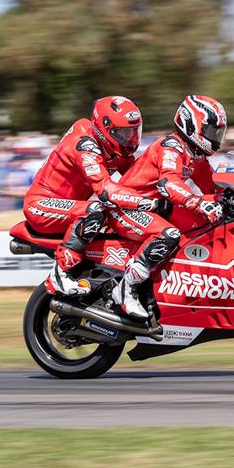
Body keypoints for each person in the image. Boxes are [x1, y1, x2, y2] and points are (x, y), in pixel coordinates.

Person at [23, 96, 158, 317]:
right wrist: (146, 202)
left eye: (133, 132)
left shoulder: (111, 147)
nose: (130, 138)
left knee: (111, 213)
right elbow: (106, 190)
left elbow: (138, 179)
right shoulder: (85, 145)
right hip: (41, 205)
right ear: (105, 128)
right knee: (96, 209)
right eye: (123, 133)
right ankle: (59, 273)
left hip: (71, 209)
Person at [114, 95, 228, 317]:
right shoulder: (172, 146)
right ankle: (125, 288)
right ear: (190, 123)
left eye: (217, 132)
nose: (214, 137)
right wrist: (197, 203)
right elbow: (168, 183)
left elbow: (213, 188)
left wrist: (233, 198)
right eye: (210, 130)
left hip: (153, 209)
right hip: (128, 206)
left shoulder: (196, 156)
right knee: (169, 235)